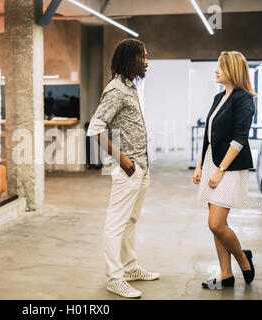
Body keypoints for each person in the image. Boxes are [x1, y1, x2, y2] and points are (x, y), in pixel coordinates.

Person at [87, 38, 159, 299]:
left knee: (131, 220)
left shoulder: (130, 87)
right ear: (131, 59)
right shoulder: (116, 89)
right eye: (144, 57)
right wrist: (122, 159)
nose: (147, 62)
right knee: (115, 224)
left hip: (141, 166)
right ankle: (114, 278)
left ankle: (130, 267)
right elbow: (95, 129)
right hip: (128, 168)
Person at [193, 51, 256, 289]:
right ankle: (225, 274)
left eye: (220, 67)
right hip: (212, 163)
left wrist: (220, 170)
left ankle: (243, 258)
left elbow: (240, 139)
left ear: (232, 69)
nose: (215, 70)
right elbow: (209, 137)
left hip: (228, 167)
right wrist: (200, 165)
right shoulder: (218, 97)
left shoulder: (244, 99)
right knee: (215, 224)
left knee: (216, 224)